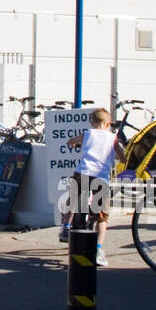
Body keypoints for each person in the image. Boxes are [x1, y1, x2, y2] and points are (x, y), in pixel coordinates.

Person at [58, 108, 118, 267]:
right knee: (102, 216)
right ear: (108, 124)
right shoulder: (113, 138)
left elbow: (72, 141)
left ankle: (66, 227)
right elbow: (123, 156)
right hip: (101, 177)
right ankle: (97, 250)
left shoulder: (88, 134)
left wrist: (71, 143)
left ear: (92, 122)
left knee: (73, 201)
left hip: (83, 173)